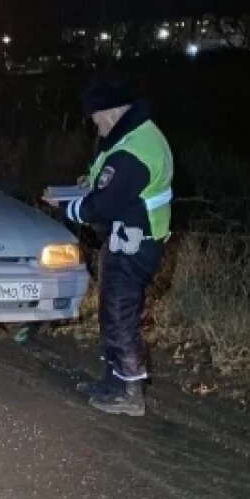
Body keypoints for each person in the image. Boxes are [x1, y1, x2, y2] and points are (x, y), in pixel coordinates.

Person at [44, 81, 174, 417]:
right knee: (111, 311)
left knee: (119, 314)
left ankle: (130, 392)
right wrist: (89, 182)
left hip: (135, 244)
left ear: (111, 112)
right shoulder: (132, 136)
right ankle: (113, 381)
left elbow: (102, 205)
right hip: (127, 240)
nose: (95, 124)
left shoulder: (134, 151)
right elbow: (108, 179)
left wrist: (66, 206)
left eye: (96, 118)